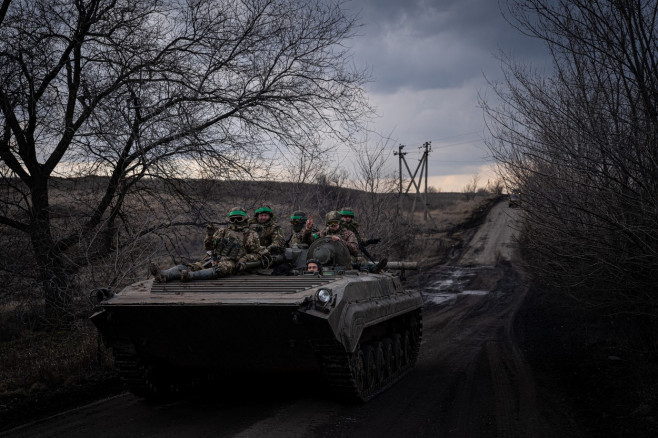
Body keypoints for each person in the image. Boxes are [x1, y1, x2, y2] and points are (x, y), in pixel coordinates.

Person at [150, 207, 265, 282]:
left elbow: (257, 254)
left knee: (220, 269)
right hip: (215, 257)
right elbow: (209, 247)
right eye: (233, 219)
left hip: (232, 261)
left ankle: (190, 276)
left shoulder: (251, 234)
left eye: (238, 219)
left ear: (244, 219)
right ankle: (165, 274)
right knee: (193, 266)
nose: (235, 222)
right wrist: (209, 236)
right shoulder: (223, 231)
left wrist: (244, 258)